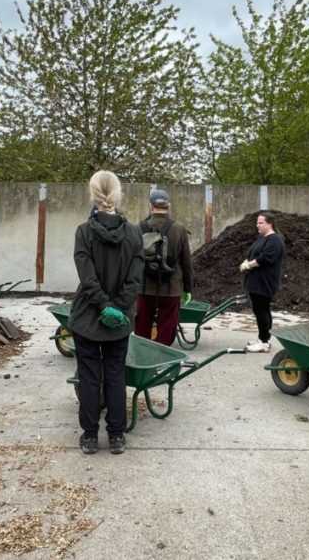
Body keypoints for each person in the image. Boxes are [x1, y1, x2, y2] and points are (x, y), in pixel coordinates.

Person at [68, 170, 144, 455]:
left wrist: (103, 306)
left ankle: (89, 436)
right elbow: (136, 280)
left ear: (93, 195)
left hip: (87, 317)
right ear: (118, 194)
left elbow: (87, 279)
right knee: (115, 375)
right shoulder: (135, 234)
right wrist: (118, 309)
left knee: (88, 376)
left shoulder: (84, 232)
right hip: (119, 321)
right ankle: (116, 436)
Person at [135, 189, 193, 346]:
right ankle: (161, 358)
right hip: (171, 287)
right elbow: (186, 261)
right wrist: (188, 288)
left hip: (144, 287)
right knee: (167, 326)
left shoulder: (138, 227)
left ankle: (143, 357)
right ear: (168, 206)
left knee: (142, 326)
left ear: (150, 206)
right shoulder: (179, 229)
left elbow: (133, 260)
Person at [239, 211, 285, 353]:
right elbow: (255, 253)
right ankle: (263, 338)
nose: (257, 225)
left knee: (262, 311)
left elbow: (265, 258)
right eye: (257, 222)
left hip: (264, 282)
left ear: (269, 224)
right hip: (256, 282)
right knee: (260, 310)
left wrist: (249, 265)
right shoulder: (262, 238)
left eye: (260, 223)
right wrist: (247, 260)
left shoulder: (274, 240)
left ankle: (264, 342)